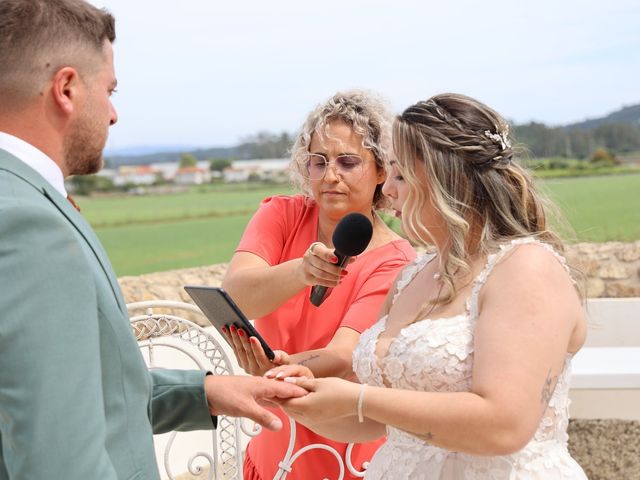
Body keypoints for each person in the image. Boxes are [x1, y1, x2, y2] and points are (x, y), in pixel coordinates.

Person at [0, 1, 306, 479]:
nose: (114, 113)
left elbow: (51, 395)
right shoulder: (26, 223)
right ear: (65, 89)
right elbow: (57, 460)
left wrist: (203, 391)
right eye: (109, 90)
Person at [277, 93, 588, 479]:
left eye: (401, 174)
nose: (387, 190)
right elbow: (378, 422)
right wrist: (301, 402)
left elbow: (505, 425)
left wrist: (357, 397)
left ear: (449, 180)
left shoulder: (526, 268)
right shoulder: (413, 273)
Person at [221, 90, 416, 479]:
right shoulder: (282, 214)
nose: (330, 176)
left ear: (381, 170)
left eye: (347, 162)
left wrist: (278, 370)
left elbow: (344, 355)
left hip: (346, 453)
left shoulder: (395, 259)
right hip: (273, 447)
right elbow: (237, 294)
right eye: (319, 161)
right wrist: (301, 272)